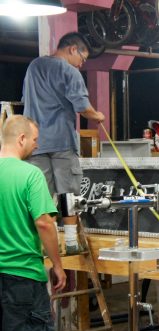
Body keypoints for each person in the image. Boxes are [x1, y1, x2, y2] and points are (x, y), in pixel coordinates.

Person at [0, 115, 67, 331]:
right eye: (35, 140)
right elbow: (43, 222)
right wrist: (58, 264)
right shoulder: (30, 174)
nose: (37, 146)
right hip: (23, 273)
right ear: (21, 139)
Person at [22, 31, 105, 254]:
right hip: (62, 143)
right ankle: (70, 242)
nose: (81, 64)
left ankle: (37, 245)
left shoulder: (34, 67)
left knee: (40, 196)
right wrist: (97, 115)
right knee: (68, 193)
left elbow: (26, 100)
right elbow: (82, 107)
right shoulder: (69, 72)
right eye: (83, 58)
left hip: (34, 144)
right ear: (72, 49)